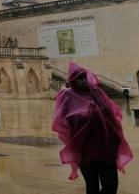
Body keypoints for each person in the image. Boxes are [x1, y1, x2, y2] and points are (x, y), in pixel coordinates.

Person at [52, 62, 133, 194]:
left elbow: (112, 114)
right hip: (86, 150)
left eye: (84, 77)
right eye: (79, 78)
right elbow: (63, 120)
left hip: (106, 148)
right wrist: (87, 114)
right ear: (73, 80)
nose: (83, 80)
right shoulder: (68, 96)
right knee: (92, 187)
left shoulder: (97, 93)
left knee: (111, 186)